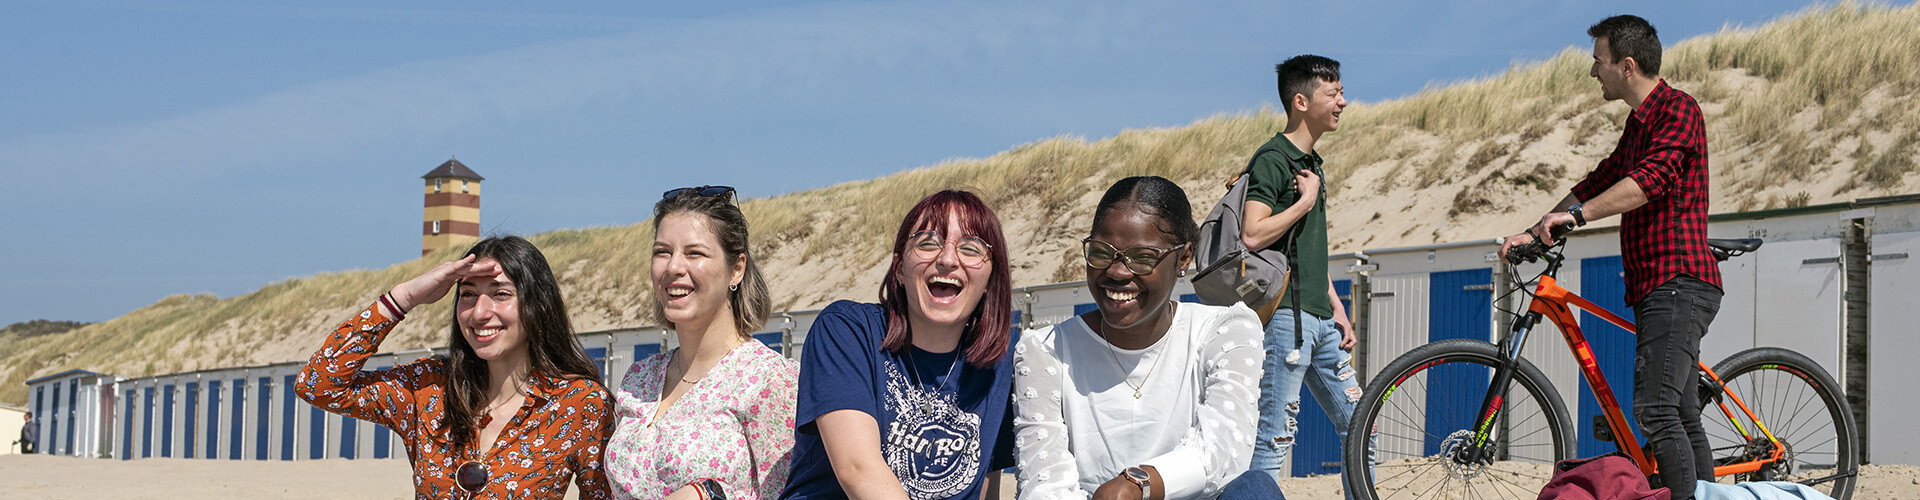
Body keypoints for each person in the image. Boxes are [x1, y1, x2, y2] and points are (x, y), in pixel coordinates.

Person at [1499, 15, 1720, 500]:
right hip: (1656, 285)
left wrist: (1575, 218)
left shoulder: (1680, 110)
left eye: (1597, 62)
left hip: (1680, 279)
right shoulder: (1639, 122)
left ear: (1627, 65)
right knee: (1680, 412)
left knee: (1656, 410)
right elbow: (1602, 179)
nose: (1591, 72)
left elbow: (1648, 182)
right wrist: (1538, 228)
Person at [1013, 176, 1282, 500]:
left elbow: (1224, 452)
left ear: (1183, 258)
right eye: (1101, 252)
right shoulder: (1046, 350)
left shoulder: (1223, 330)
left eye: (1141, 257)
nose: (1117, 271)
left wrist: (1136, 484)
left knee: (1255, 489)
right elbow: (1044, 487)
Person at [298, 235, 614, 499]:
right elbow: (317, 384)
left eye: (500, 294)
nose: (479, 312)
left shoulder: (579, 404)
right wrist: (403, 297)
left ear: (537, 304)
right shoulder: (427, 388)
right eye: (468, 295)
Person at [781, 190, 1017, 500]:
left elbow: (986, 483)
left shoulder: (1001, 362)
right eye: (927, 243)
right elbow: (859, 471)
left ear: (989, 280)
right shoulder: (848, 331)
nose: (947, 259)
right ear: (899, 270)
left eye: (971, 248)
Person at [605, 186, 799, 500]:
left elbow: (789, 494)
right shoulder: (639, 378)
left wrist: (706, 496)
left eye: (694, 253)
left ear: (736, 269)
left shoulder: (768, 380)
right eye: (662, 252)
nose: (673, 267)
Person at [1242, 54, 1367, 487]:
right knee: (1273, 439)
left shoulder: (1312, 164)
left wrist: (1336, 306)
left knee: (1361, 428)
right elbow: (1253, 234)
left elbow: (1307, 250)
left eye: (1342, 91)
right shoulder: (1273, 159)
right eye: (1333, 93)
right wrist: (1304, 202)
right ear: (1300, 101)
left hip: (1319, 320)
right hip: (1284, 322)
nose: (1343, 101)